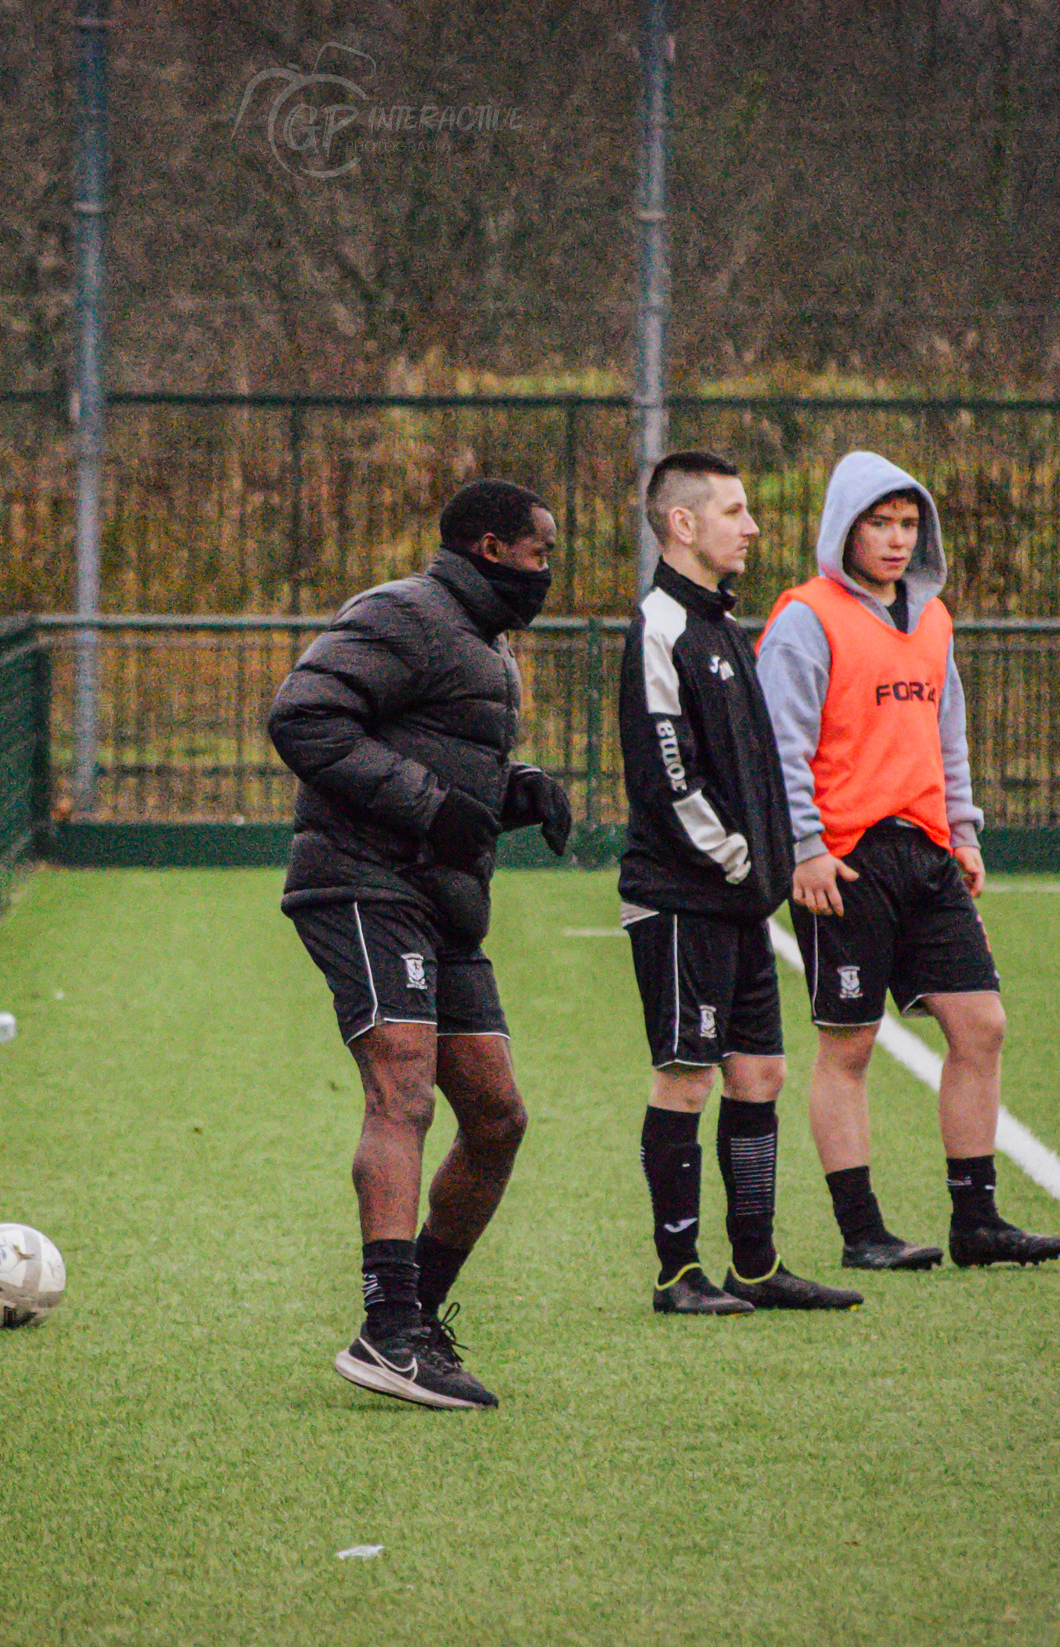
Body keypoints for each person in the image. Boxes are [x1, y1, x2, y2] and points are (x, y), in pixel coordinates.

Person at [268, 477, 571, 1412]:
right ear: (490, 548)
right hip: (364, 881)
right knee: (401, 1092)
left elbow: (434, 744)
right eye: (540, 554)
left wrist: (513, 788)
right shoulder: (407, 612)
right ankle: (389, 1332)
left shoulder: (481, 639)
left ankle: (414, 1320)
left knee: (498, 1116)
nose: (547, 572)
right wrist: (432, 809)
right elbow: (303, 717)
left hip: (439, 903)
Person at [754, 451, 1060, 1273]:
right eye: (879, 523)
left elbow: (947, 732)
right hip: (845, 860)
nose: (897, 541)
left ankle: (978, 1221)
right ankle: (864, 1230)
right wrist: (805, 848)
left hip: (927, 852)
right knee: (849, 1044)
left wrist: (962, 831)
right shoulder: (805, 617)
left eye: (907, 525)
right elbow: (778, 745)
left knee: (982, 1024)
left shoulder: (933, 619)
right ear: (844, 527)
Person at [619, 451, 861, 1317]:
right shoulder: (659, 627)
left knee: (758, 1072)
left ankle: (756, 1265)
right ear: (683, 524)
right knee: (687, 1073)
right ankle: (677, 1271)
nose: (752, 527)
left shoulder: (723, 626)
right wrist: (738, 862)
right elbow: (667, 775)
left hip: (739, 900)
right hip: (685, 896)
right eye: (734, 511)